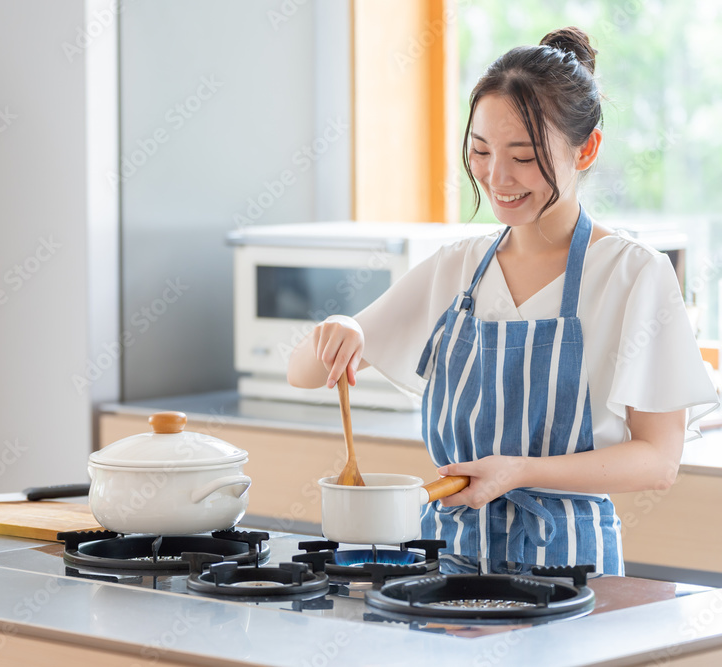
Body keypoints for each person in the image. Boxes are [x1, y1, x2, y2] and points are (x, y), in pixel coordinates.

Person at [286, 27, 719, 575]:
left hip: (568, 572)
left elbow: (658, 461)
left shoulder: (634, 275)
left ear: (586, 149)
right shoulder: (457, 268)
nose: (497, 178)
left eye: (523, 156)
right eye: (481, 152)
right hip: (445, 566)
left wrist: (518, 471)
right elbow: (302, 372)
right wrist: (341, 326)